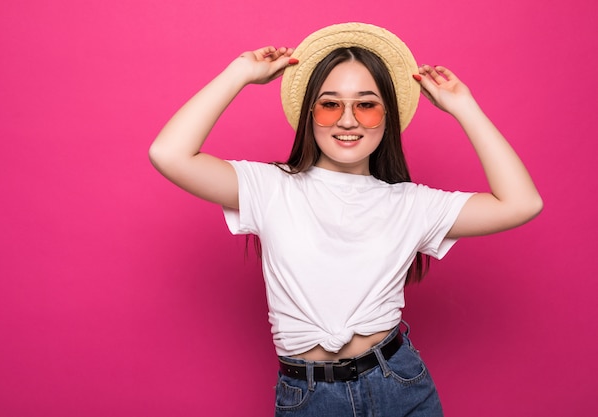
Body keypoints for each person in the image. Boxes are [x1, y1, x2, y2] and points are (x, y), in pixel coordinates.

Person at [149, 22, 542, 417]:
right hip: (308, 396)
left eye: (367, 105)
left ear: (387, 116)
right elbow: (170, 154)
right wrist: (240, 72)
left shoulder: (412, 204)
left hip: (400, 386)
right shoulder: (269, 187)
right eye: (330, 103)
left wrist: (464, 107)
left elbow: (521, 203)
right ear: (310, 114)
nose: (348, 120)